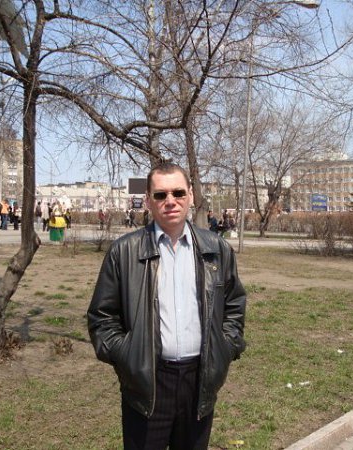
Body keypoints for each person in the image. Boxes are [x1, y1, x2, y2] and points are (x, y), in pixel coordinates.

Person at [88, 162, 246, 450]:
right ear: (148, 201)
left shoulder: (216, 249)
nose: (170, 201)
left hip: (199, 381)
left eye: (178, 193)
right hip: (148, 382)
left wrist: (225, 347)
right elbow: (102, 317)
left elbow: (234, 305)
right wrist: (128, 357)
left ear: (191, 196)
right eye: (160, 195)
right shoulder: (124, 251)